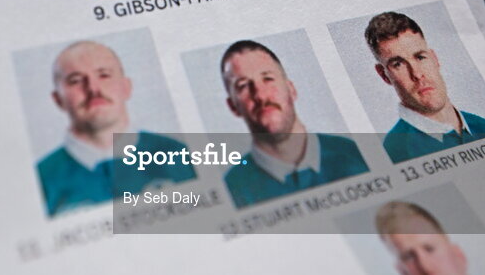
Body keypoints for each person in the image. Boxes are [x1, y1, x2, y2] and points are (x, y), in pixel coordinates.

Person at [36, 40, 194, 216]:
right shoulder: (40, 180)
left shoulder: (179, 156)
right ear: (58, 99)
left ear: (126, 87)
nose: (93, 89)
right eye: (75, 81)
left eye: (104, 75)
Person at [220, 39, 367, 207]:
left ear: (291, 90)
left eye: (267, 78)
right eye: (244, 85)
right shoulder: (231, 192)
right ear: (233, 106)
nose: (261, 95)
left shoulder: (355, 155)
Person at [364, 12, 485, 164]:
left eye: (420, 57)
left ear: (434, 59)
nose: (417, 74)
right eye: (398, 64)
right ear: (384, 75)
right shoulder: (395, 154)